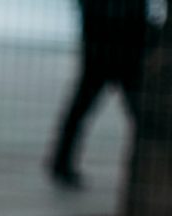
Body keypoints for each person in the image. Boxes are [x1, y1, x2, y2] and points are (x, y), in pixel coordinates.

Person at [48, 0, 154, 190]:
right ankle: (60, 164)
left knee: (79, 114)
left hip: (106, 56)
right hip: (117, 58)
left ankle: (60, 163)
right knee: (141, 118)